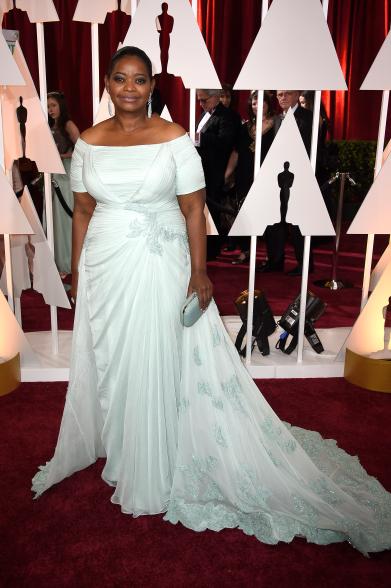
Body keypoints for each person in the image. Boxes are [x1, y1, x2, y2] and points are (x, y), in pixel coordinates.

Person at [32, 47, 391, 556]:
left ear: (151, 86)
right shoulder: (89, 142)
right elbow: (85, 210)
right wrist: (74, 270)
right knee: (117, 355)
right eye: (120, 79)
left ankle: (157, 457)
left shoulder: (174, 138)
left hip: (161, 261)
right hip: (105, 264)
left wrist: (199, 271)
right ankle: (129, 439)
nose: (130, 88)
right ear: (107, 84)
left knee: (158, 350)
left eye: (139, 80)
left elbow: (195, 207)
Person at [258, 90, 313, 276]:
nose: (282, 98)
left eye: (287, 94)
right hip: (278, 179)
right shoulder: (277, 119)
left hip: (300, 179)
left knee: (298, 224)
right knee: (275, 221)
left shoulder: (309, 118)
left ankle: (304, 264)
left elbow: (311, 149)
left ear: (297, 95)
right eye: (279, 95)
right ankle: (275, 261)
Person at [226, 90, 274, 264]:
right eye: (254, 103)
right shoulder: (244, 127)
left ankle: (271, 254)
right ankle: (246, 251)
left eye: (262, 102)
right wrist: (228, 173)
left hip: (267, 178)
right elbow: (236, 153)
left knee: (268, 217)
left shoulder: (276, 125)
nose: (257, 106)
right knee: (244, 214)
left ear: (269, 104)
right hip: (244, 176)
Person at [48, 91, 80, 277]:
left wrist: (62, 156)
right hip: (53, 174)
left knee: (65, 219)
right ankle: (58, 262)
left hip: (66, 174)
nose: (50, 109)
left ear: (61, 105)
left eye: (53, 105)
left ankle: (69, 263)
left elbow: (82, 149)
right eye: (48, 106)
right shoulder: (48, 126)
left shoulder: (68, 125)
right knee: (54, 219)